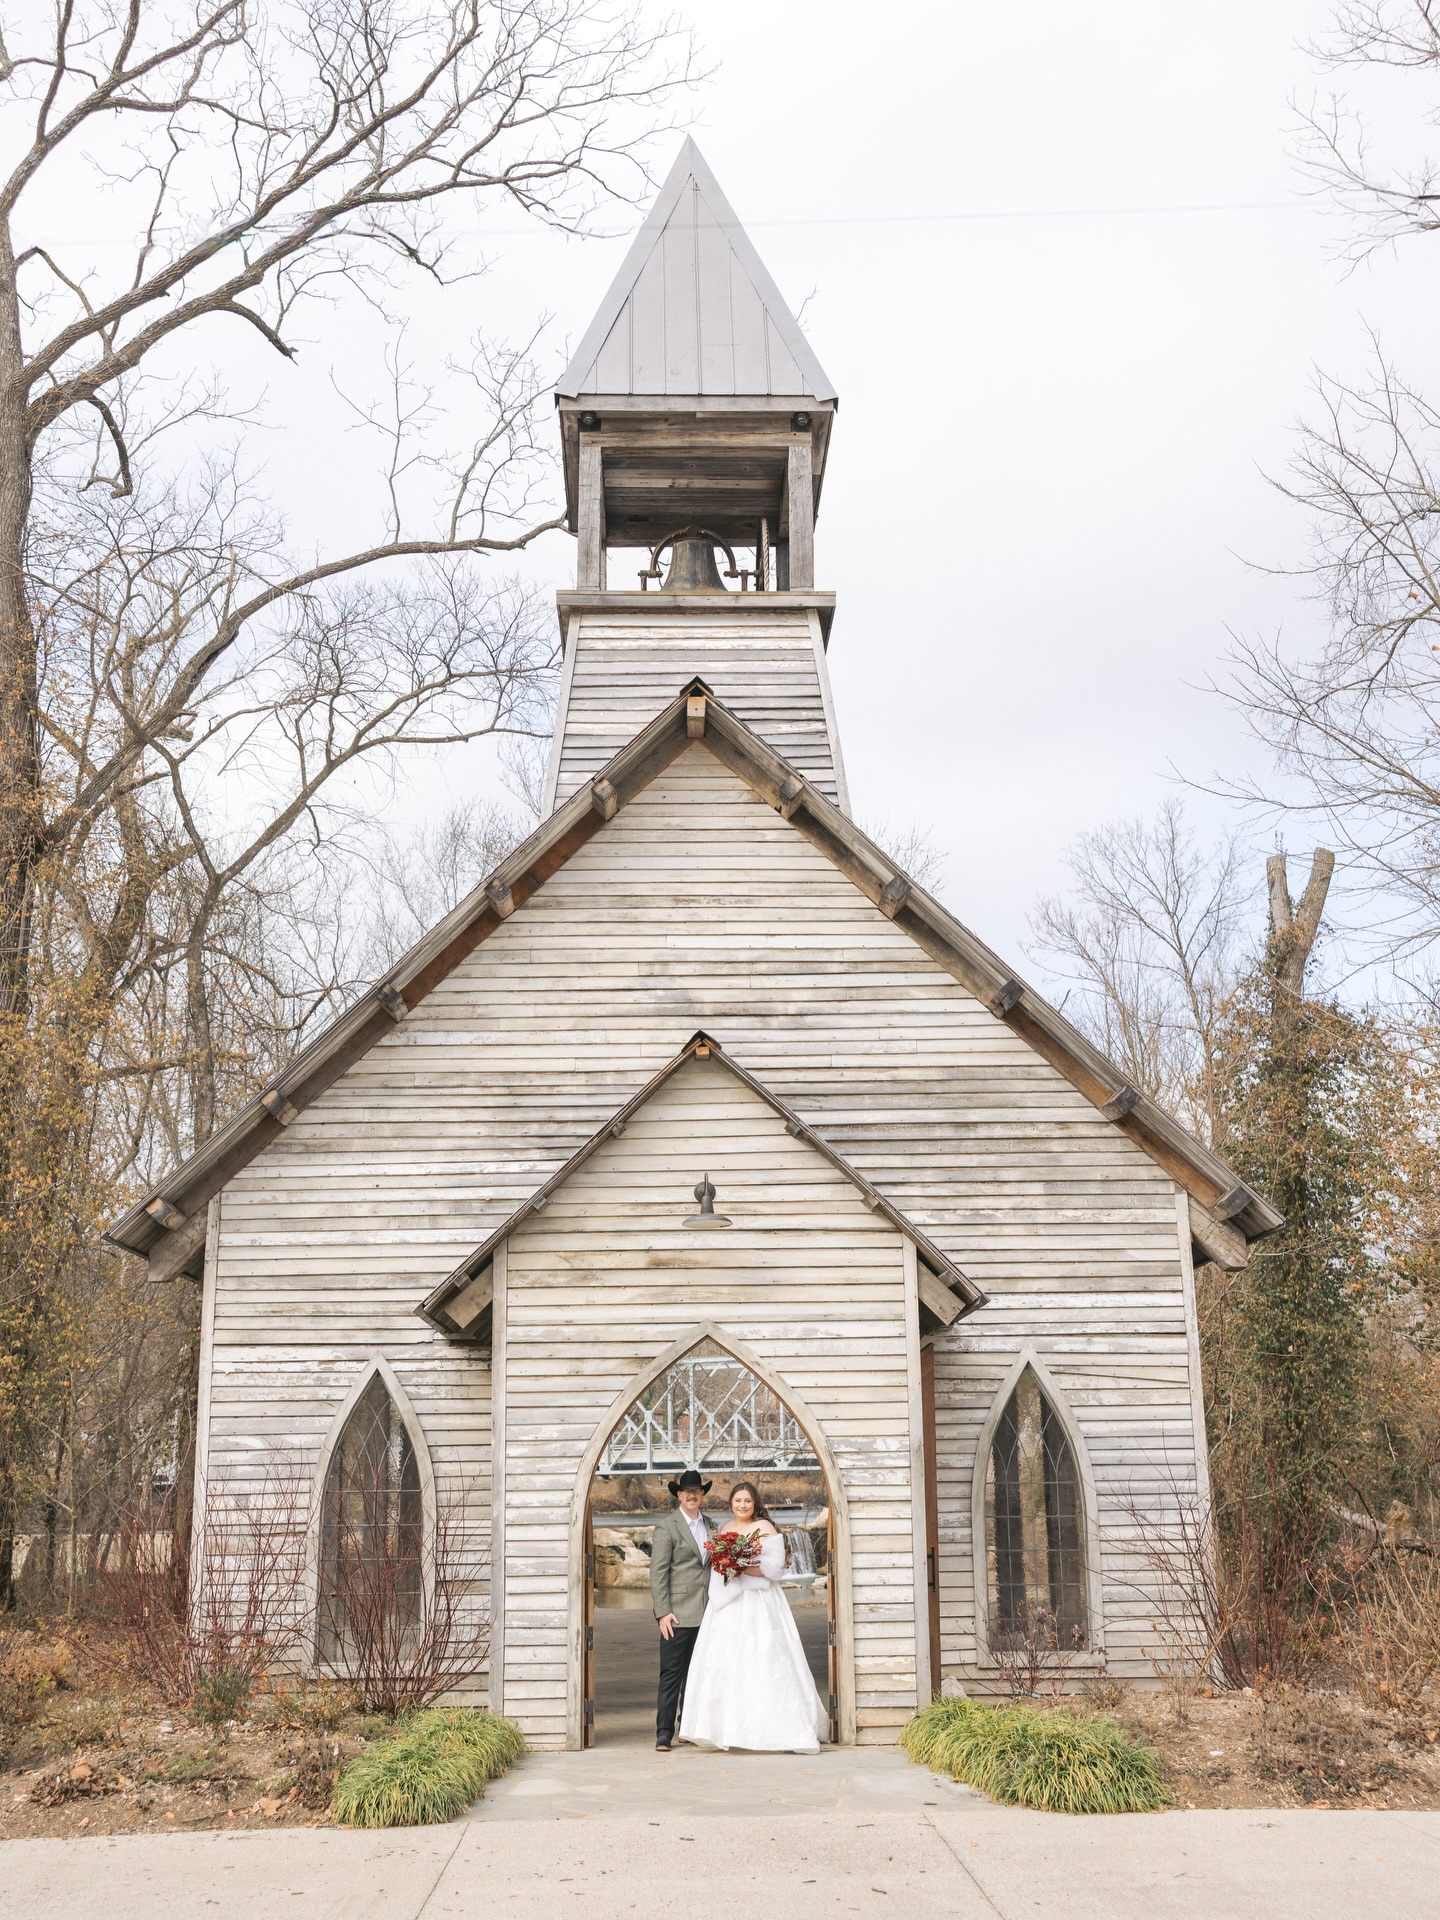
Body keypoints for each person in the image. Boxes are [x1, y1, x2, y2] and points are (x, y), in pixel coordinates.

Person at [679, 1480, 829, 1752]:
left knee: (764, 1655)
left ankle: (776, 1728)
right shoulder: (724, 1529)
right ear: (731, 1504)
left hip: (759, 1602)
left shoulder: (765, 1528)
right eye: (737, 1501)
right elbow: (716, 1566)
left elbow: (774, 1569)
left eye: (747, 1501)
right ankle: (725, 1729)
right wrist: (727, 1565)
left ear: (755, 1503)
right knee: (725, 1661)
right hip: (729, 1605)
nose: (742, 1506)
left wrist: (741, 1566)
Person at [649, 1468, 714, 1752]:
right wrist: (663, 1612)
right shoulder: (667, 1527)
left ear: (702, 1495)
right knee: (671, 1674)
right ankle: (664, 1732)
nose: (692, 1495)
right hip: (677, 1614)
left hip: (709, 1612)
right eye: (687, 1491)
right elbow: (658, 1572)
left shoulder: (713, 1526)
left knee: (698, 1673)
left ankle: (686, 1727)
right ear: (679, 1495)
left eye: (696, 1491)